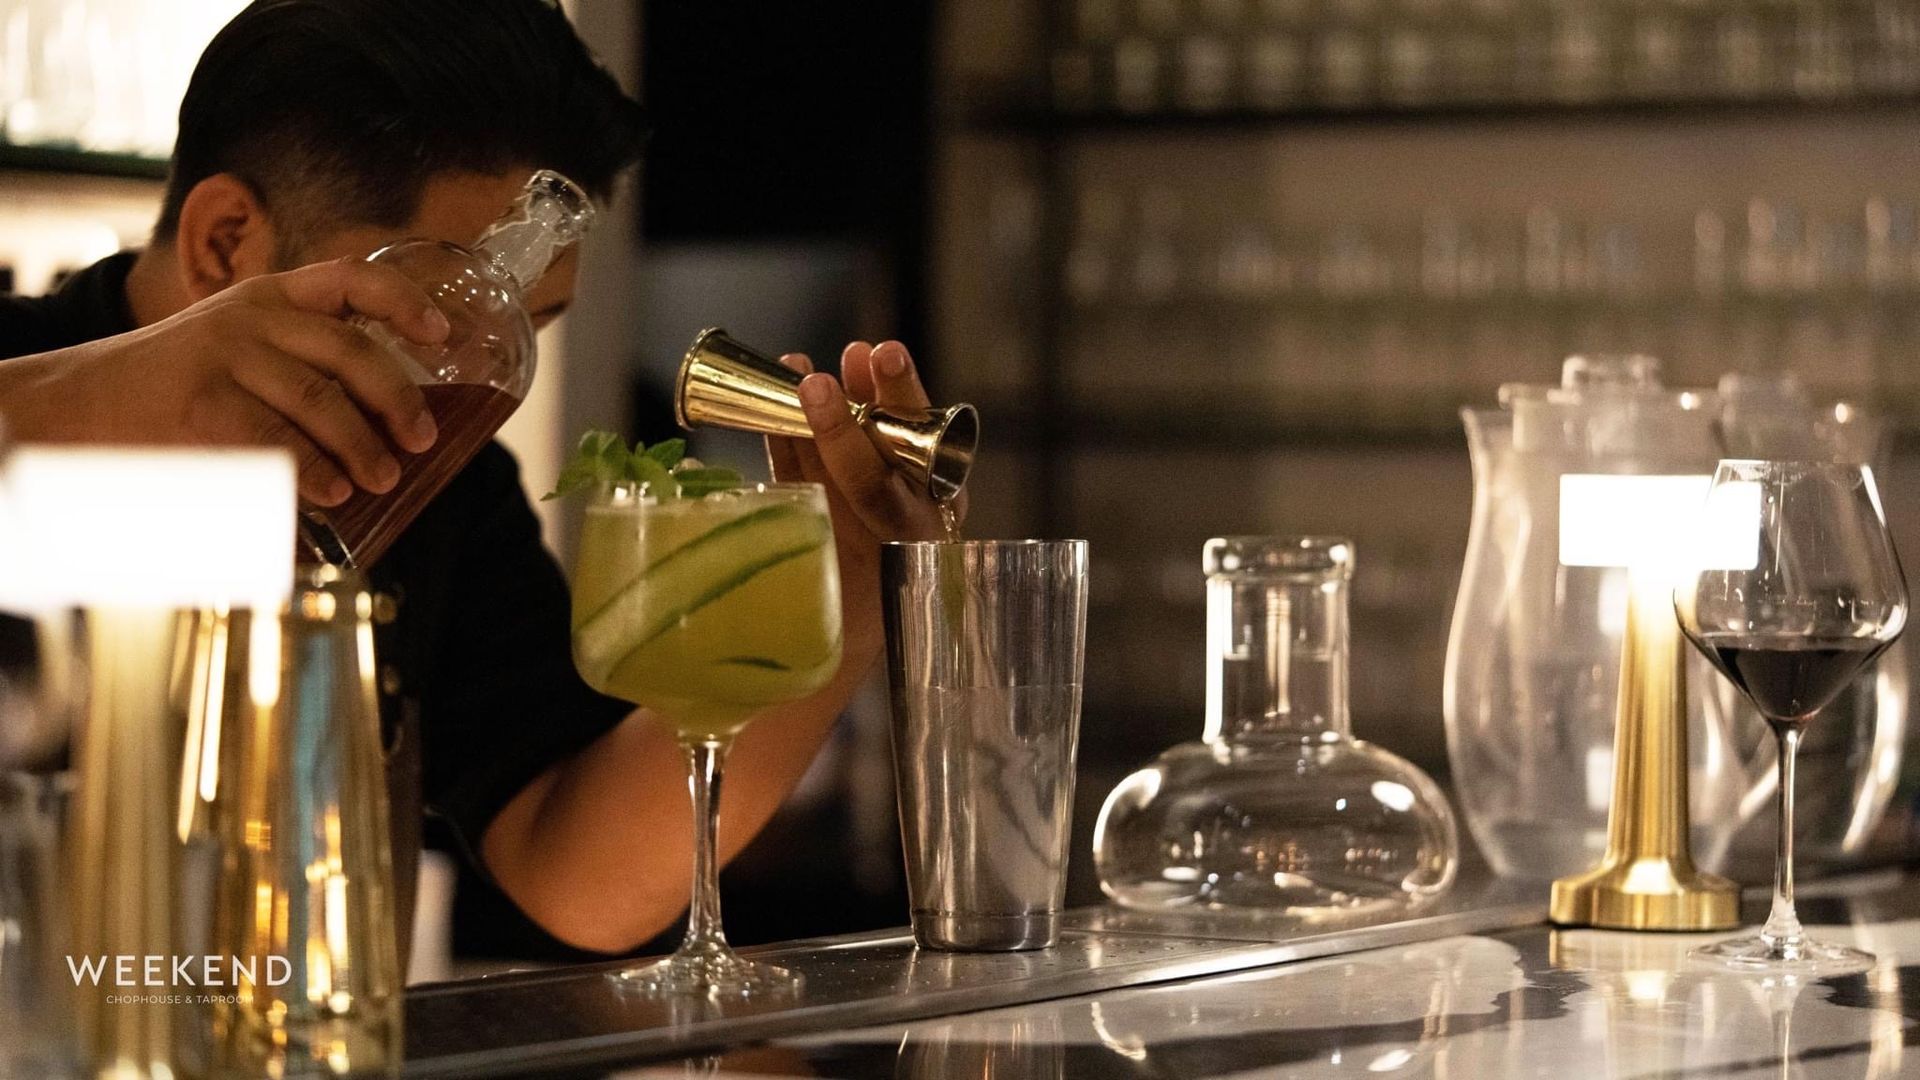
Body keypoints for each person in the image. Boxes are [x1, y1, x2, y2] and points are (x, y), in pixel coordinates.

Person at [0, 0, 946, 955]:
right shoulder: (26, 375)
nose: (475, 378)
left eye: (521, 334)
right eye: (426, 313)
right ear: (226, 242)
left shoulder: (437, 488)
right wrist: (77, 405)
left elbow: (584, 873)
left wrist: (849, 573)